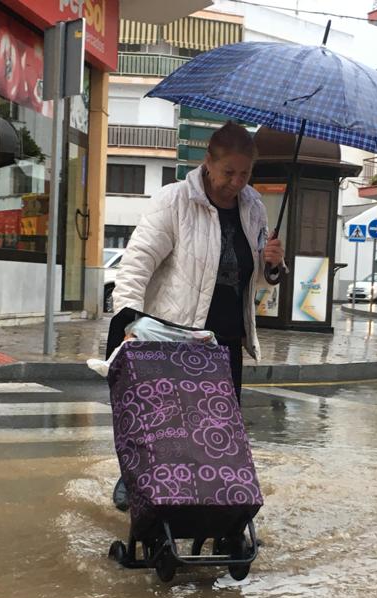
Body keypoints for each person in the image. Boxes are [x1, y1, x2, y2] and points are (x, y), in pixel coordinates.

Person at [106, 121, 285, 510]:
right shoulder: (174, 201)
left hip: (226, 340)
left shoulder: (253, 207)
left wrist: (272, 265)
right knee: (163, 425)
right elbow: (137, 264)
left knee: (220, 431)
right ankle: (135, 481)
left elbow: (256, 276)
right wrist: (128, 321)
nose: (236, 182)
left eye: (245, 173)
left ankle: (215, 508)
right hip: (174, 335)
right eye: (228, 172)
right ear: (208, 162)